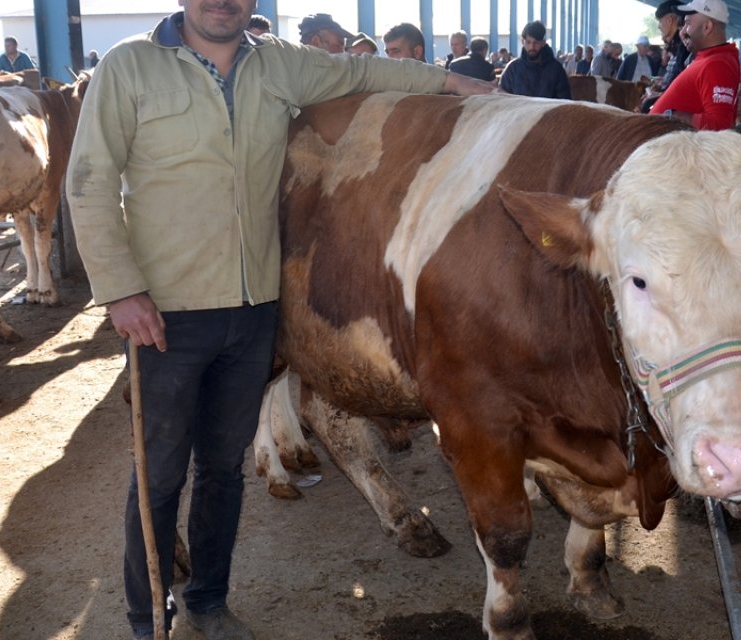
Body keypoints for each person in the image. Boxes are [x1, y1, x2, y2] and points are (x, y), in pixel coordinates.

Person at [65, 1, 495, 638]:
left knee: (221, 469)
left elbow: (363, 73)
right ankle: (148, 615)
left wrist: (458, 83)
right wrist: (121, 291)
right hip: (164, 315)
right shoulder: (131, 66)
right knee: (158, 472)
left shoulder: (279, 67)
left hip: (253, 311)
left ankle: (209, 602)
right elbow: (90, 181)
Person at [649, 0, 740, 130]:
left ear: (706, 27)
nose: (682, 32)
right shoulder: (708, 58)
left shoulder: (717, 65)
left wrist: (671, 116)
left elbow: (720, 125)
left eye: (687, 24)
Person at [498, 21, 570, 98]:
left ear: (543, 43)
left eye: (536, 43)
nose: (532, 47)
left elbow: (564, 102)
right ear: (523, 42)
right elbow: (503, 99)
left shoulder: (556, 69)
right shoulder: (512, 69)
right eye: (528, 42)